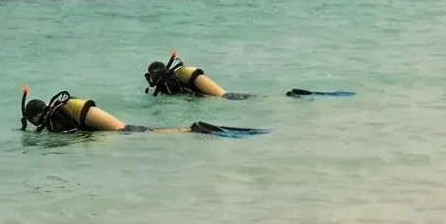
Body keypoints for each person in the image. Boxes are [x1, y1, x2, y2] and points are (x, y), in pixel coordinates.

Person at [21, 86, 265, 135]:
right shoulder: (58, 113)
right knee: (132, 130)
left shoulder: (54, 118)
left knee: (132, 131)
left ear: (34, 116)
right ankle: (188, 129)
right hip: (85, 112)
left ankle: (190, 129)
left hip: (85, 113)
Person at [146, 51, 231, 98]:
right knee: (224, 96)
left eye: (151, 75)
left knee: (224, 96)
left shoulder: (164, 82)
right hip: (190, 74)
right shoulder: (168, 77)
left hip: (190, 75)